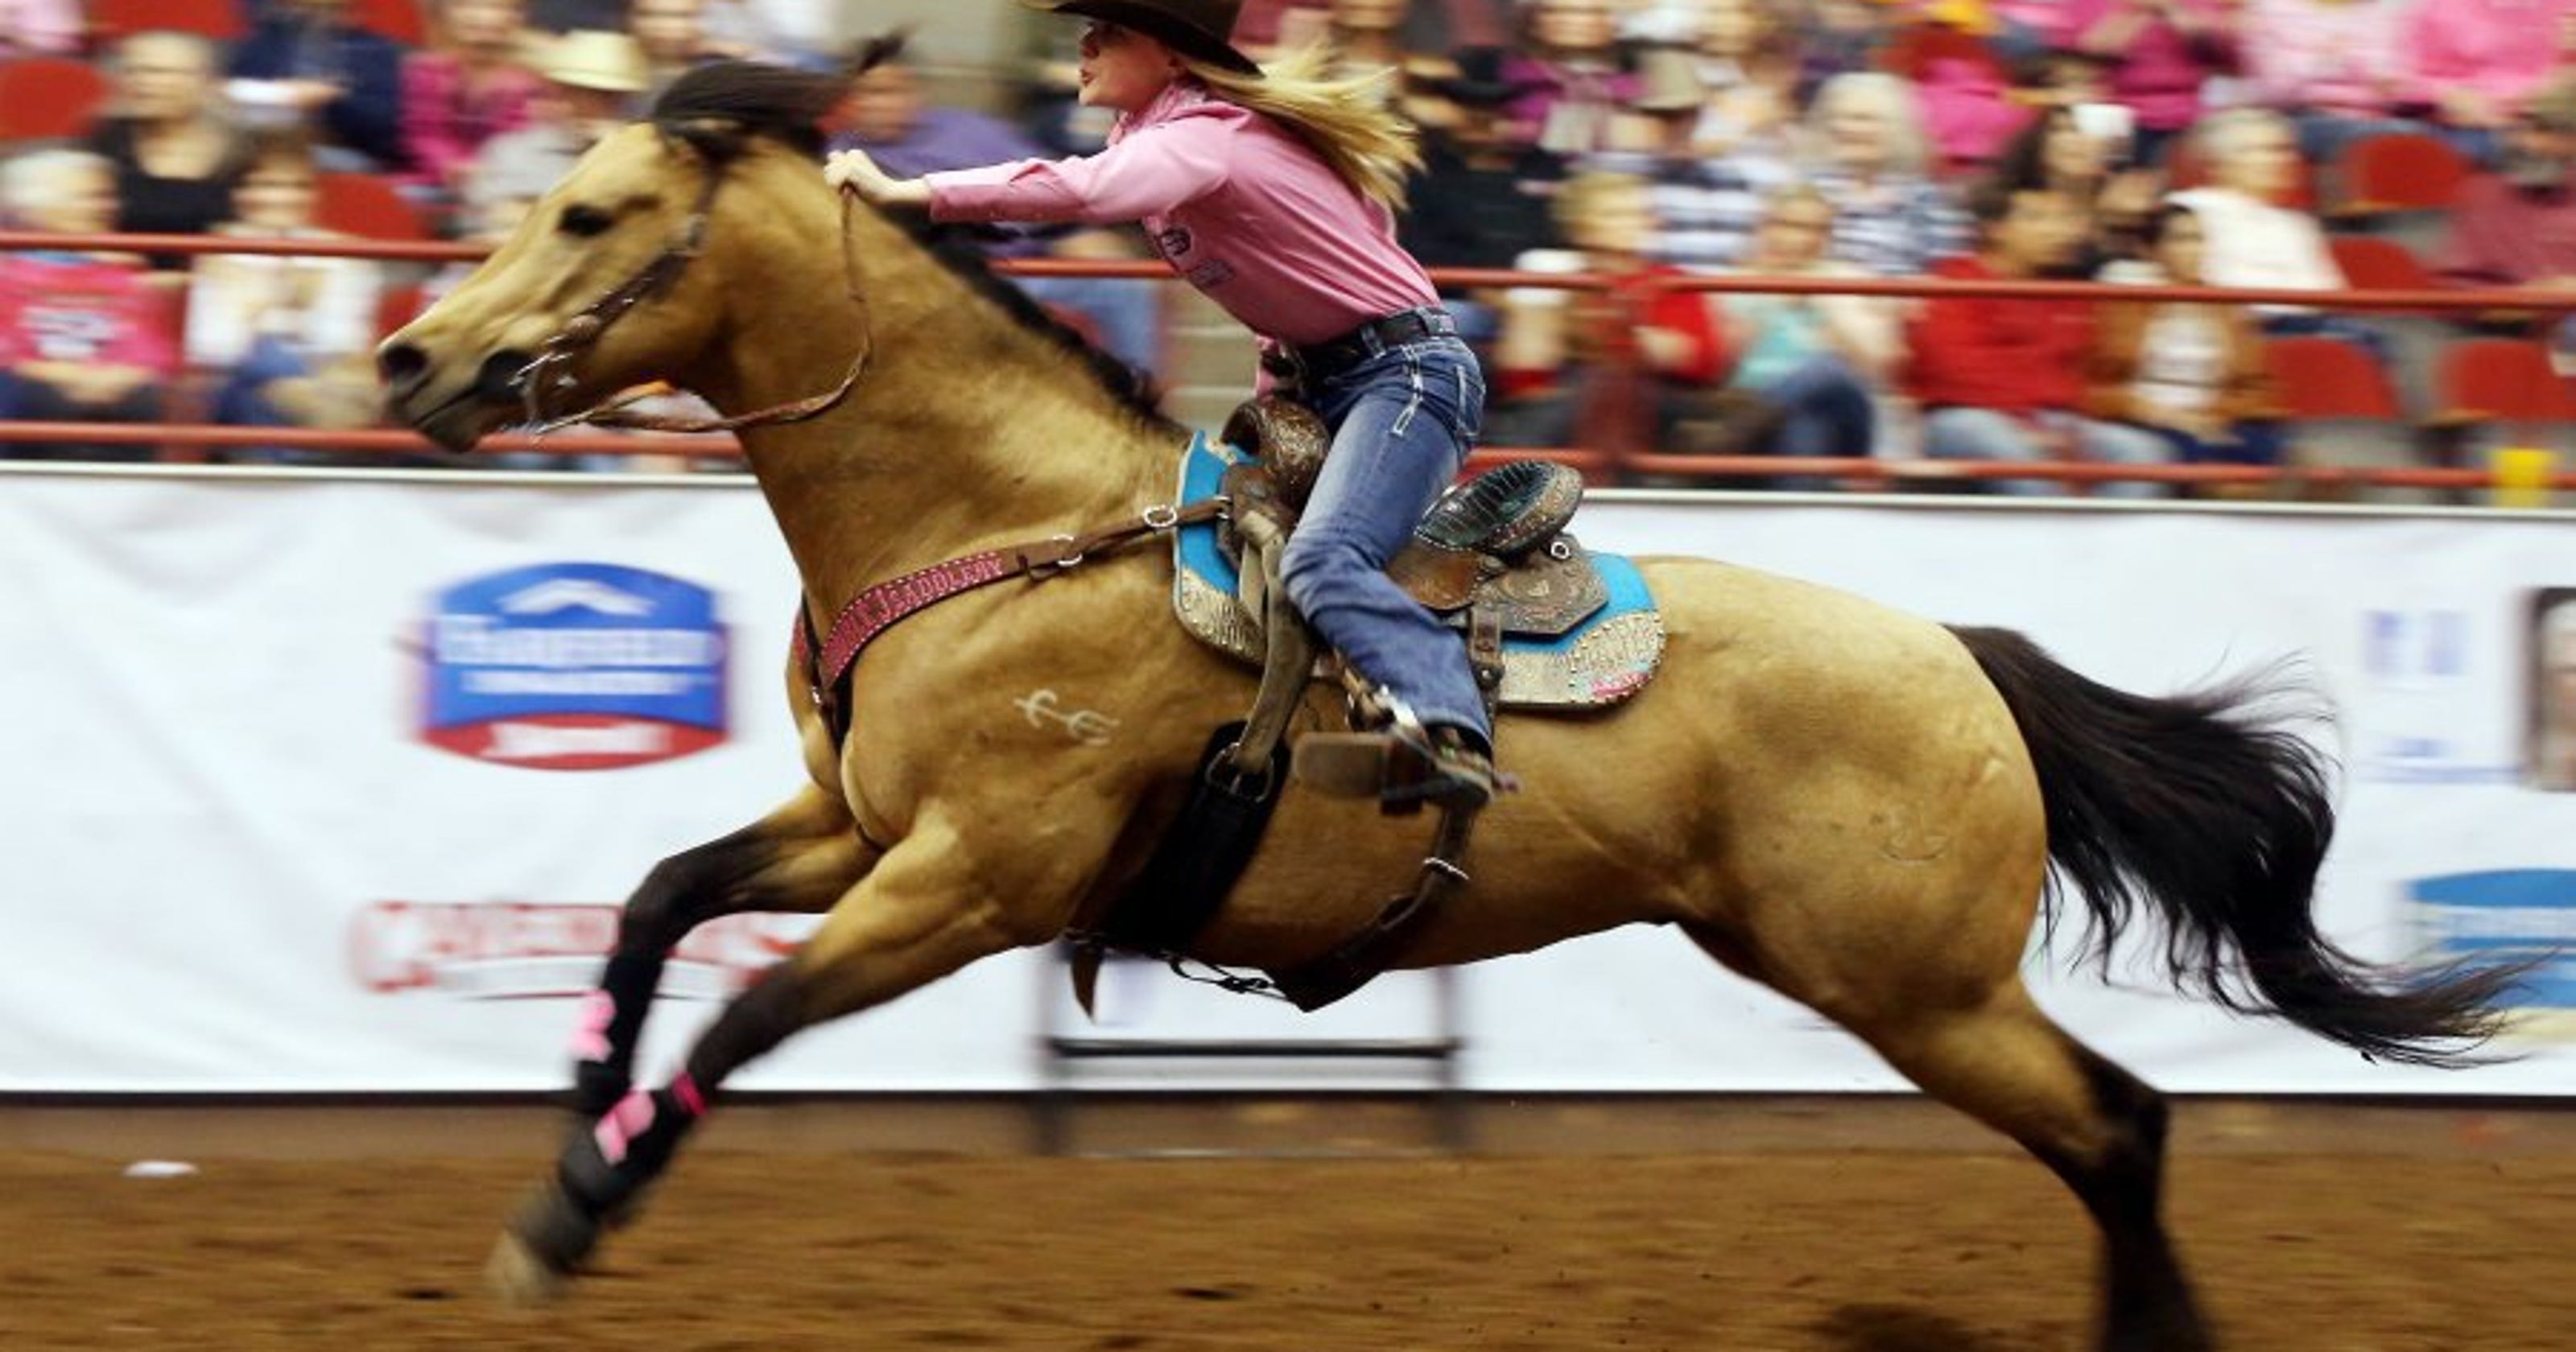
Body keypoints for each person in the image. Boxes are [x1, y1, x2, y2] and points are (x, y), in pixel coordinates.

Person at [827, 0, 1501, 804]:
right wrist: (1275, 399)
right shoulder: (1181, 147)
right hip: (1334, 378)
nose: (1083, 45)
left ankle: (1447, 729)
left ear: (1172, 58)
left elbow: (1078, 191)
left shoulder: (1199, 141)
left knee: (1323, 557)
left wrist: (914, 192)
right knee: (1226, 542)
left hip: (1406, 376)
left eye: (1108, 32)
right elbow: (1303, 274)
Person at [1905, 181, 2176, 497]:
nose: (2058, 231)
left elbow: (2082, 372)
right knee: (2002, 444)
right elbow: (1951, 370)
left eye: (2062, 220)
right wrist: (2027, 422)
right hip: (1964, 416)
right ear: (1996, 229)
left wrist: (2064, 424)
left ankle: (2107, 547)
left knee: (2142, 453)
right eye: (2038, 219)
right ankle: (2056, 543)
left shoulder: (2068, 292)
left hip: (2056, 418)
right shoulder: (1955, 282)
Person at [184, 131, 389, 453]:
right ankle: (309, 452)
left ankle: (292, 454)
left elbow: (342, 344)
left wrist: (261, 307)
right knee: (266, 361)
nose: (283, 198)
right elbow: (212, 350)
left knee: (272, 381)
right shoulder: (217, 251)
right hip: (235, 383)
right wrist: (283, 299)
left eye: (297, 187)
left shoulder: (344, 255)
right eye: (267, 185)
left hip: (323, 380)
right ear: (241, 193)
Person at [2084, 200, 2286, 482]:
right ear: (2151, 250)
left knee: (2269, 451)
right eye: (2181, 239)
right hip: (2149, 419)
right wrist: (2167, 416)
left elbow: (2254, 385)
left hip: (2217, 418)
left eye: (2199, 239)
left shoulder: (2227, 306)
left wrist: (2214, 418)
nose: (2195, 249)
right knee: (2194, 456)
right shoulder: (2124, 306)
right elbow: (2098, 386)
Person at [0, 150, 180, 463]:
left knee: (147, 400)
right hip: (34, 383)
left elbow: (151, 348)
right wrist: (63, 374)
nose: (106, 208)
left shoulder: (124, 275)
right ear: (35, 206)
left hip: (112, 385)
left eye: (106, 198)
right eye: (88, 197)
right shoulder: (6, 271)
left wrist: (121, 376)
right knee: (31, 395)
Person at [85, 31, 253, 263]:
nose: (142, 81)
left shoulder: (244, 148)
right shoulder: (103, 138)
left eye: (158, 72)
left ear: (201, 80)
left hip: (216, 284)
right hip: (121, 283)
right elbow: (78, 223)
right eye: (133, 71)